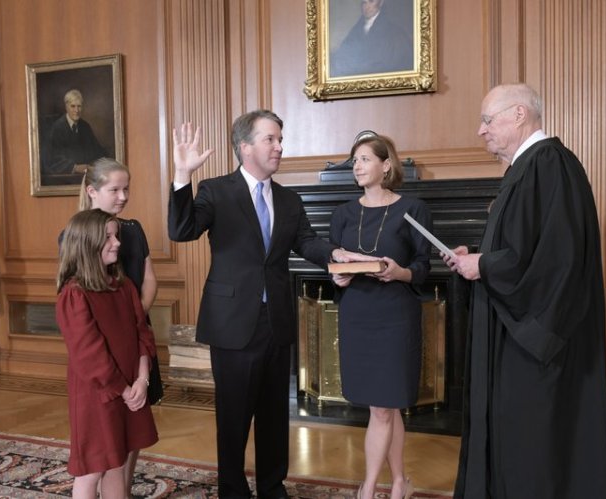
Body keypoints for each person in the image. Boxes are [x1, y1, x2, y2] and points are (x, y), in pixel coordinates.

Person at [167, 110, 375, 498]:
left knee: (274, 415)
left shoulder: (288, 198)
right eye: (271, 139)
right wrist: (182, 178)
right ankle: (232, 488)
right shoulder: (216, 190)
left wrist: (336, 255)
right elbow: (181, 230)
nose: (280, 146)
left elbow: (307, 242)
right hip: (232, 322)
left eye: (281, 139)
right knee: (233, 416)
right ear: (245, 147)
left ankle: (272, 486)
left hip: (276, 320)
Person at [444, 83, 606, 499]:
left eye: (488, 120)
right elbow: (522, 247)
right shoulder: (528, 168)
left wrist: (484, 264)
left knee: (534, 442)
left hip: (537, 343)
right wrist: (480, 256)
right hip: (515, 332)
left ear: (519, 114)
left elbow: (555, 260)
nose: (480, 130)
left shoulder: (549, 164)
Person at [329, 134, 431, 499]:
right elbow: (337, 267)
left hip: (395, 316)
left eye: (364, 159)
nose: (356, 166)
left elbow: (423, 266)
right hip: (357, 314)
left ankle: (369, 488)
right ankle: (400, 481)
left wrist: (398, 272)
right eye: (354, 160)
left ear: (386, 165)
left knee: (384, 409)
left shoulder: (412, 208)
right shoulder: (342, 213)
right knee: (386, 407)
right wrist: (338, 277)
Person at [66, 157, 160, 494]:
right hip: (102, 389)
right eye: (114, 189)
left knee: (118, 462)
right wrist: (124, 387)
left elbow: (140, 328)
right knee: (94, 466)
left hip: (133, 371)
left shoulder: (124, 285)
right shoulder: (76, 292)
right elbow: (88, 350)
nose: (117, 245)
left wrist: (142, 377)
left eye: (126, 189)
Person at [330, 0, 413, 78]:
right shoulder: (356, 29)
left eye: (371, 1)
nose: (367, 6)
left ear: (380, 2)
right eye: (364, 2)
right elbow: (344, 54)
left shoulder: (394, 33)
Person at [43, 89, 107, 177]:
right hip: (64, 178)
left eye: (79, 106)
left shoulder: (85, 126)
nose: (77, 110)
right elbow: (52, 159)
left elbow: (97, 151)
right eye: (73, 106)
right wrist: (75, 167)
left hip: (86, 176)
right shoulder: (57, 128)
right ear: (66, 107)